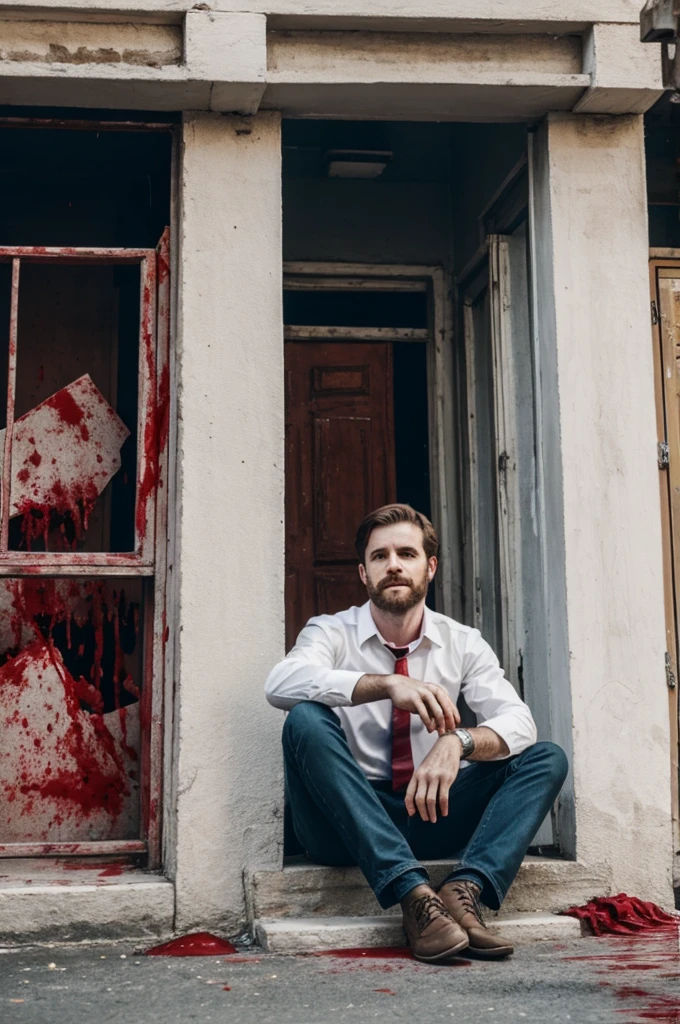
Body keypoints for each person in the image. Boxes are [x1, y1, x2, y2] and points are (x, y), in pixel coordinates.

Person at [265, 504, 568, 964]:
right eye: (379, 556)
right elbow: (279, 683)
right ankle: (413, 895)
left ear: (429, 567)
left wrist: (458, 742)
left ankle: (463, 891)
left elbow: (519, 722)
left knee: (546, 757)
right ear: (364, 573)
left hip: (428, 811)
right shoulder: (331, 631)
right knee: (305, 717)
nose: (393, 565)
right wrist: (383, 685)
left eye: (406, 553)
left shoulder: (462, 641)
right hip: (342, 825)